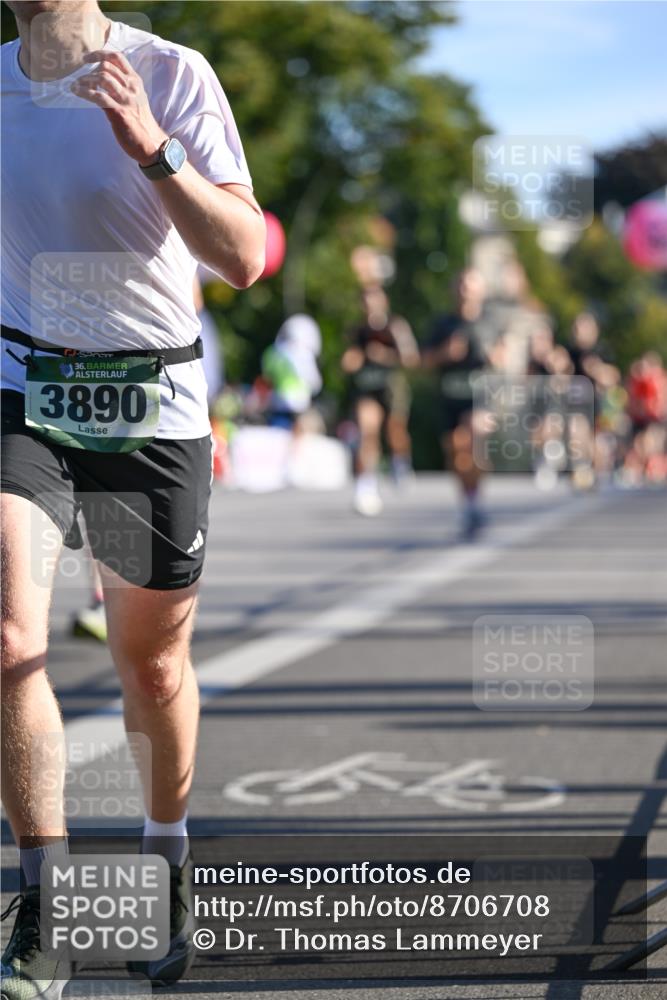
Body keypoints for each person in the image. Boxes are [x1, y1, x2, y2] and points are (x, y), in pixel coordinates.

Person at [0, 2, 265, 996]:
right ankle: (45, 900)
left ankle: (167, 855)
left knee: (149, 667)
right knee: (9, 633)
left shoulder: (173, 73)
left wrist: (154, 150)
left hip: (147, 403)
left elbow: (242, 256)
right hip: (24, 391)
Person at [422, 268, 495, 539]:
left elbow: (504, 355)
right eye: (462, 285)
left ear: (481, 291)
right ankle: (470, 502)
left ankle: (475, 501)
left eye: (472, 285)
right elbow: (423, 360)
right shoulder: (443, 324)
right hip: (450, 397)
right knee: (456, 453)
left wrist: (494, 355)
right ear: (456, 290)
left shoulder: (490, 322)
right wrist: (445, 353)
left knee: (474, 442)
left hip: (480, 397)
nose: (466, 290)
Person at [342, 286, 419, 516]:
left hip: (390, 387)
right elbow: (350, 359)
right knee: (368, 431)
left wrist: (383, 355)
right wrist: (351, 361)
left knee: (395, 431)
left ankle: (400, 462)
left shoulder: (395, 326)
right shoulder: (357, 331)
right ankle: (365, 486)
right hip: (366, 388)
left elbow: (411, 358)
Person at [261, 314, 323, 430]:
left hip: (277, 404)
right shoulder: (303, 355)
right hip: (299, 405)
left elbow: (267, 377)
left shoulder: (272, 353)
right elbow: (315, 383)